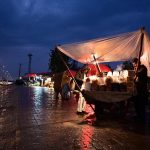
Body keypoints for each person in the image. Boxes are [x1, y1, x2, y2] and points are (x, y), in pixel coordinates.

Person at [132, 57, 148, 122]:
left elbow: (139, 74)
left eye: (134, 64)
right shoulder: (137, 69)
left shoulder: (143, 68)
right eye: (133, 64)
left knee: (141, 104)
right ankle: (138, 115)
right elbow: (135, 78)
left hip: (142, 89)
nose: (134, 65)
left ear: (137, 63)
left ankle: (142, 118)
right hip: (137, 89)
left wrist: (135, 72)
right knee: (136, 103)